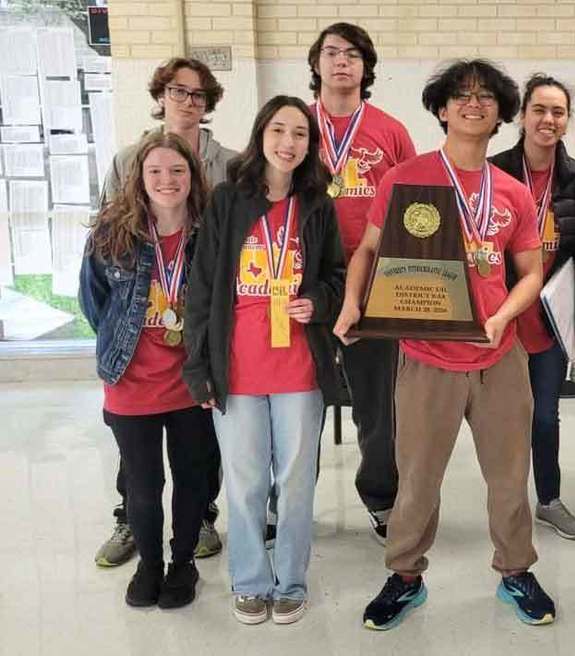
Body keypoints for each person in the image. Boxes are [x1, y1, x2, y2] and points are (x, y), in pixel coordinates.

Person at [334, 59, 556, 630]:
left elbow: (531, 271)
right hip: (427, 358)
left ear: (502, 113)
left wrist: (505, 315)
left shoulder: (512, 192)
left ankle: (515, 571)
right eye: (461, 95)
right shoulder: (407, 179)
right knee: (418, 479)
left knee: (509, 477)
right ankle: (405, 575)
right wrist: (354, 302)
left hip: (497, 357)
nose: (473, 104)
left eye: (486, 97)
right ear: (441, 108)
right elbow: (367, 251)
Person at [182, 96, 345, 625]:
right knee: (247, 480)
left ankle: (292, 579)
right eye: (279, 130)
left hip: (299, 368)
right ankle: (251, 580)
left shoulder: (318, 204)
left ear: (309, 144)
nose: (288, 143)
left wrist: (318, 301)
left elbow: (338, 279)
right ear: (260, 136)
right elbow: (202, 288)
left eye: (300, 133)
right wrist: (199, 366)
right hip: (239, 369)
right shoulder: (228, 200)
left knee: (296, 482)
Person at [95, 57, 237, 568]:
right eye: (179, 91)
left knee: (199, 444)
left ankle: (198, 515)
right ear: (161, 95)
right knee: (136, 452)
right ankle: (130, 519)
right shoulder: (128, 158)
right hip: (140, 337)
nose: (188, 101)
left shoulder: (230, 163)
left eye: (199, 94)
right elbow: (106, 267)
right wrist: (121, 332)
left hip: (196, 338)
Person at [79, 132, 215, 609]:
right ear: (139, 177)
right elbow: (94, 304)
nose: (166, 180)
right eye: (155, 171)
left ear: (192, 177)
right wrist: (121, 346)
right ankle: (150, 565)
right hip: (131, 383)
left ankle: (183, 565)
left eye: (177, 171)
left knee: (192, 478)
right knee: (142, 485)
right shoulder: (111, 233)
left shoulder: (210, 232)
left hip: (191, 382)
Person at [307, 22, 416, 543]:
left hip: (376, 287)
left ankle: (381, 497)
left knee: (378, 407)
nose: (341, 62)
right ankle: (287, 501)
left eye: (352, 54)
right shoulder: (295, 127)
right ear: (317, 64)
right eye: (331, 53)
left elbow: (414, 209)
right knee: (296, 400)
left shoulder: (390, 131)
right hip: (304, 285)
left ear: (366, 67)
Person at [490, 73, 575, 541]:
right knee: (506, 419)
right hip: (505, 316)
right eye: (539, 110)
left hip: (551, 319)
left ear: (567, 121)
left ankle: (548, 500)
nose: (548, 119)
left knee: (546, 415)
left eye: (558, 112)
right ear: (522, 115)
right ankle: (508, 506)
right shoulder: (494, 171)